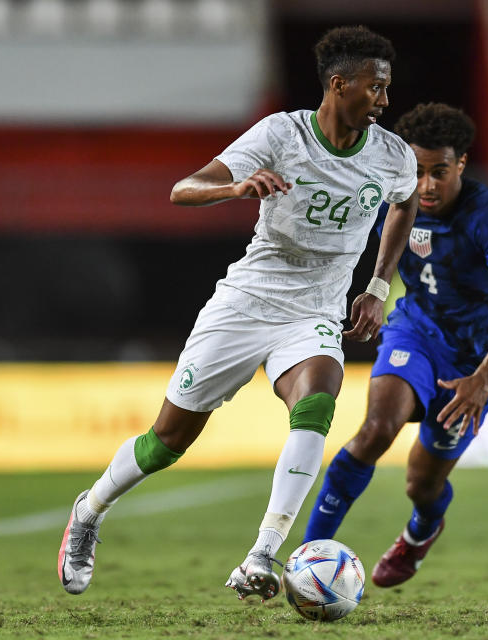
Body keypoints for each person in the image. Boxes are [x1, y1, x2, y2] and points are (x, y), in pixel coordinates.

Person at [57, 25, 419, 600]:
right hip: (247, 303)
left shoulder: (393, 156)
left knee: (318, 403)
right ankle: (91, 509)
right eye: (375, 88)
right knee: (166, 442)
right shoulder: (282, 133)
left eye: (386, 89)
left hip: (315, 311)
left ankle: (261, 556)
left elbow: (404, 206)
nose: (383, 100)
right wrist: (235, 188)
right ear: (338, 83)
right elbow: (183, 188)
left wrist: (378, 283)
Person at [303, 102, 488, 587]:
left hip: (472, 359)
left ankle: (421, 531)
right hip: (414, 330)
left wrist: (482, 379)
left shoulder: (485, 216)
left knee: (422, 484)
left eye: (440, 172)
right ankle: (308, 558)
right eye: (418, 171)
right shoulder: (392, 198)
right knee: (375, 430)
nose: (427, 185)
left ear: (462, 165)